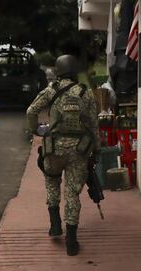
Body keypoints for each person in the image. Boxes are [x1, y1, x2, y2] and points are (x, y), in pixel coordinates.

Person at [26, 55, 100, 256]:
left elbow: (31, 111)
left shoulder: (51, 90)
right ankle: (71, 241)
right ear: (75, 71)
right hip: (79, 150)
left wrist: (37, 131)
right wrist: (97, 149)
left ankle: (55, 225)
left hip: (54, 148)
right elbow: (93, 124)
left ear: (58, 71)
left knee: (51, 180)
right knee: (73, 193)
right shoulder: (85, 93)